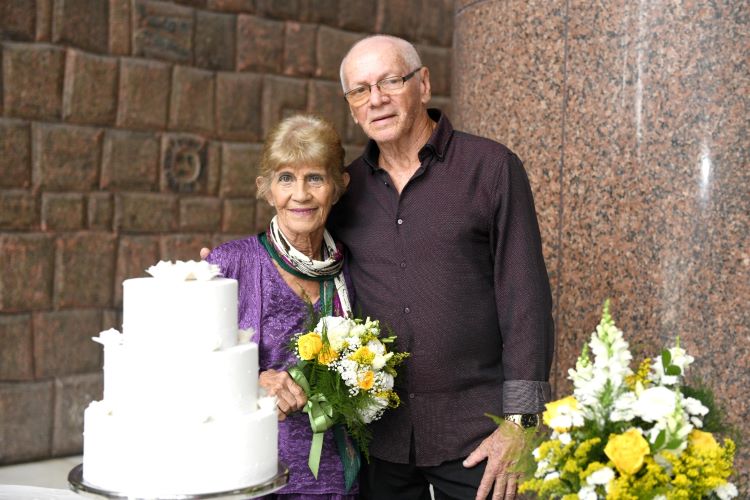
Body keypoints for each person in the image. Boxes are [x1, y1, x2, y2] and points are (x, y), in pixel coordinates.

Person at [327, 35, 555, 500]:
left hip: (481, 436)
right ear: (351, 107)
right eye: (360, 90)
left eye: (391, 81)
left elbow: (526, 301)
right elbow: (301, 260)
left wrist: (522, 425)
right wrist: (230, 265)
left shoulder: (491, 168)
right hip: (382, 438)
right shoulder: (344, 192)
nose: (377, 99)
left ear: (423, 85)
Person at [205, 114, 358, 499]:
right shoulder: (229, 265)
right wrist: (251, 380)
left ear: (338, 187)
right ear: (267, 189)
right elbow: (183, 368)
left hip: (335, 477)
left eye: (315, 178)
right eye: (286, 177)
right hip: (249, 472)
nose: (300, 194)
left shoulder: (354, 269)